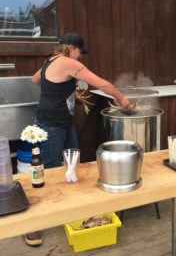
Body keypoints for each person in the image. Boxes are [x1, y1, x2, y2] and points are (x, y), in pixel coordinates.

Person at [24, 32, 130, 246]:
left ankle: (70, 210)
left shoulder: (50, 61)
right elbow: (102, 83)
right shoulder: (67, 62)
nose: (80, 57)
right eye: (80, 52)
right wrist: (122, 99)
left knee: (73, 163)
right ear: (72, 48)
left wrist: (58, 90)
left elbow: (36, 80)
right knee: (50, 171)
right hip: (52, 124)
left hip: (59, 120)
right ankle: (31, 227)